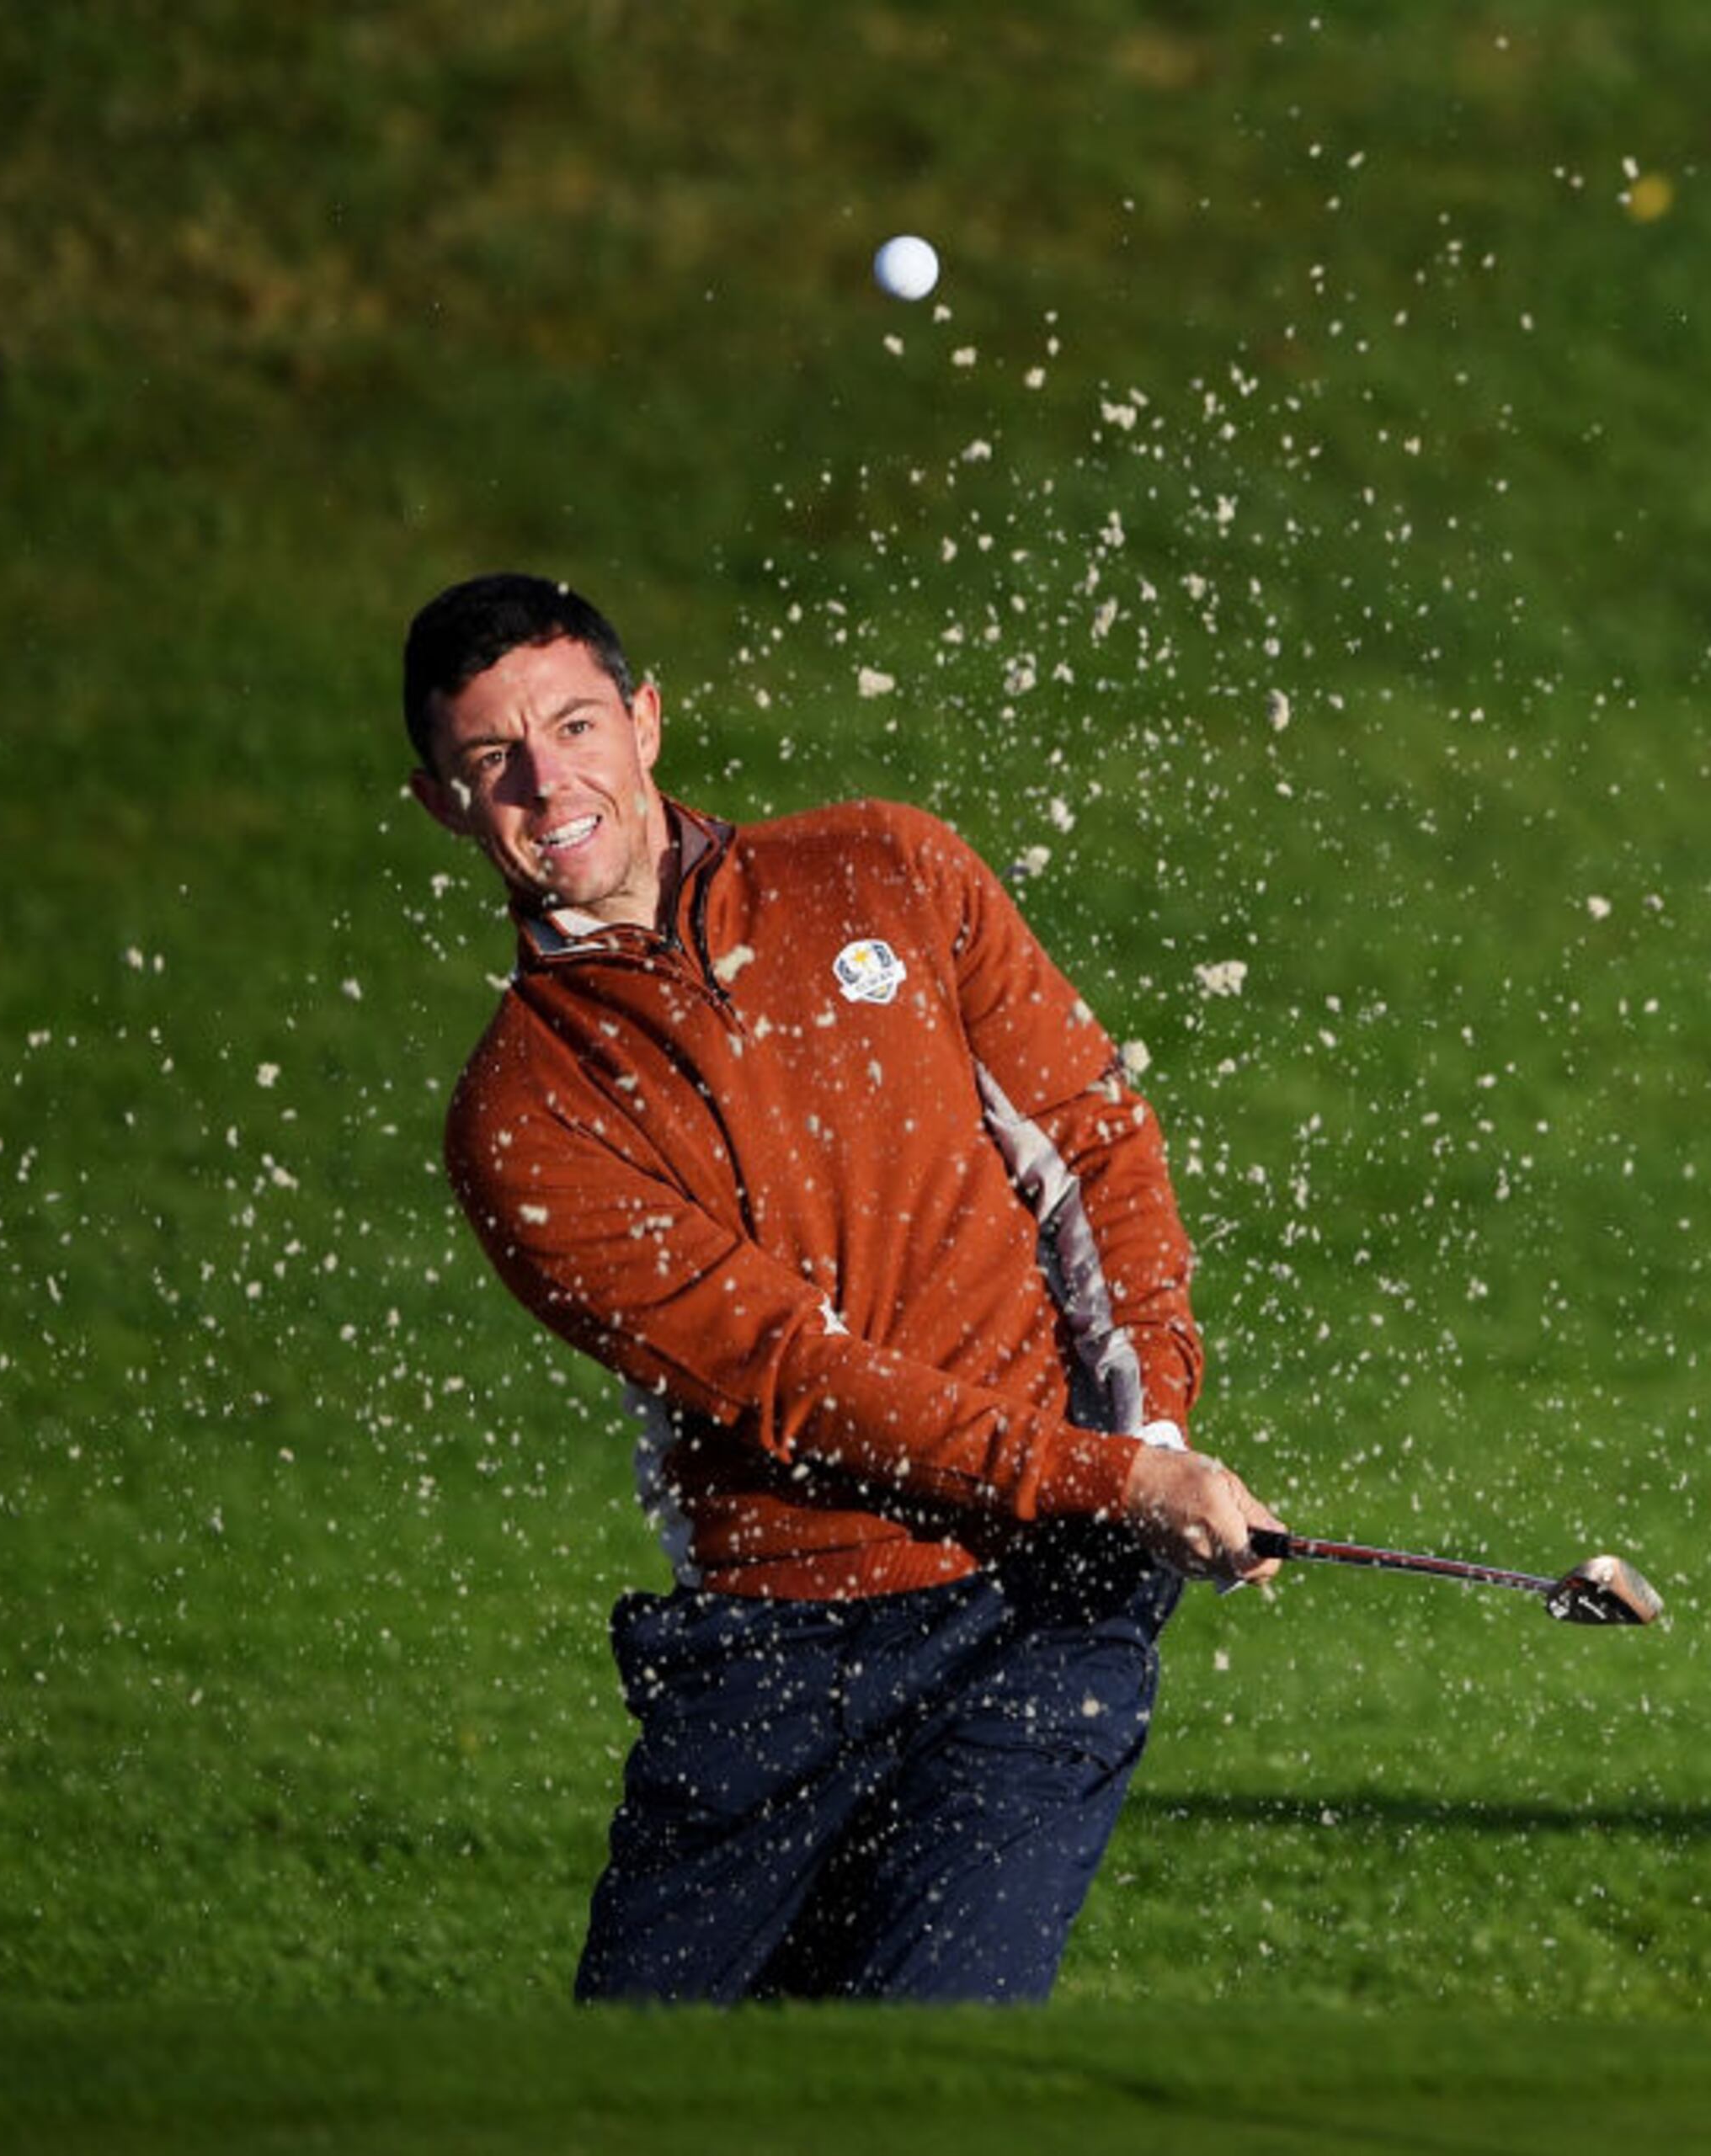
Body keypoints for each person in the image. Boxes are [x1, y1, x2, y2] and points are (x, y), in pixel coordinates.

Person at [399, 572, 1283, 2004]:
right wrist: (1108, 1477)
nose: (547, 780)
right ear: (446, 804)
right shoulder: (525, 1114)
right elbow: (795, 1374)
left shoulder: (886, 868)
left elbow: (1094, 1149)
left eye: (573, 724)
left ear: (645, 719)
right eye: (492, 758)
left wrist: (1153, 1441)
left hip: (1039, 1616)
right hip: (772, 1660)